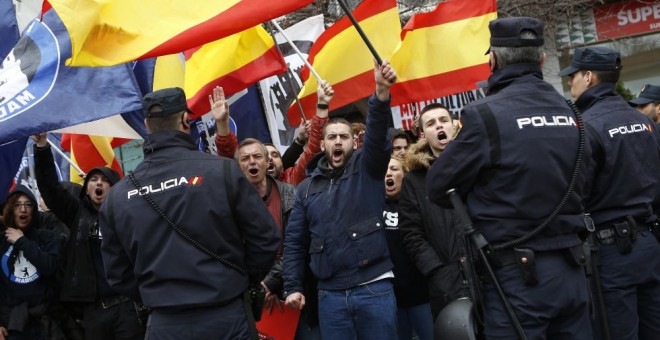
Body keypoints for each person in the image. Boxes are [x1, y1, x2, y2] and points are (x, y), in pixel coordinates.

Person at [427, 17, 592, 339]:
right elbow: (590, 176)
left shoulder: (484, 114)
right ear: (542, 60)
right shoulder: (571, 112)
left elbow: (437, 186)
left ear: (494, 60)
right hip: (573, 269)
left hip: (519, 278)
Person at [99, 87, 280, 339]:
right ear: (186, 120)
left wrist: (158, 292)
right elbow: (266, 239)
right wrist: (238, 278)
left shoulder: (117, 197)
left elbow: (117, 274)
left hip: (166, 322)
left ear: (147, 126)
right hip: (226, 316)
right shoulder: (224, 172)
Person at [282, 61, 398, 340]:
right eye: (331, 137)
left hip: (374, 288)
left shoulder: (367, 169)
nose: (337, 142)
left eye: (343, 137)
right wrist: (292, 286)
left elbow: (378, 136)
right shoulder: (307, 189)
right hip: (330, 297)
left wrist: (381, 93)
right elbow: (295, 243)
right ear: (321, 145)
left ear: (353, 142)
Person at [560, 46, 660, 340]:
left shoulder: (585, 126)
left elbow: (576, 193)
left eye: (573, 75)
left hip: (612, 251)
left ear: (588, 77)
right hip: (649, 244)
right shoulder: (645, 123)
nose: (570, 82)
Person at [32, 135, 143, 339]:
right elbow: (49, 188)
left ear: (114, 187)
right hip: (94, 312)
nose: (98, 183)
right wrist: (41, 147)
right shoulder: (77, 214)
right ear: (87, 188)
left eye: (104, 180)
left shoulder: (129, 214)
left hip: (127, 307)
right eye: (93, 180)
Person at [398, 103, 465, 319]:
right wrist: (437, 271)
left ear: (454, 126)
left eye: (443, 120)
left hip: (488, 270)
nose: (439, 126)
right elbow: (412, 234)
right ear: (423, 135)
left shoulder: (476, 165)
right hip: (447, 280)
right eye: (431, 123)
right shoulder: (413, 181)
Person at [211, 83, 333, 186]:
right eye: (261, 155)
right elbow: (229, 157)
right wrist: (222, 122)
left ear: (283, 163)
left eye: (275, 155)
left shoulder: (291, 180)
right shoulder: (245, 187)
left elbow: (314, 148)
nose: (269, 158)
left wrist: (322, 104)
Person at [0, 186, 65, 339]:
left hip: (46, 324)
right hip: (12, 326)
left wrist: (22, 242)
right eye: (17, 204)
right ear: (10, 209)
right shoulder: (1, 241)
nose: (23, 209)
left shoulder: (46, 237)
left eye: (28, 204)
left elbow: (50, 267)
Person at [383, 156, 433, 340]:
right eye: (385, 170)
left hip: (421, 296)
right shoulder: (373, 206)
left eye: (395, 169)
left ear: (406, 175)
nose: (388, 173)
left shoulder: (418, 204)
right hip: (389, 299)